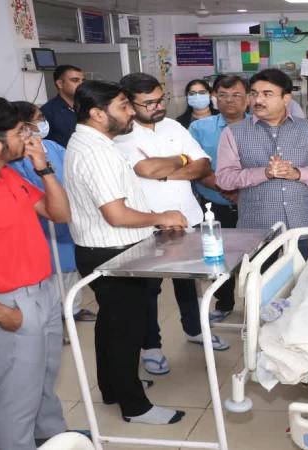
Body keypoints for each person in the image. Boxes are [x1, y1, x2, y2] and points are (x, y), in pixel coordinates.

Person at [65, 80, 187, 425]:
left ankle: (113, 387)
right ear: (97, 113)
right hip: (112, 252)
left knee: (111, 325)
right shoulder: (97, 152)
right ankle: (135, 407)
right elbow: (116, 215)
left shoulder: (90, 142)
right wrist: (160, 217)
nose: (131, 111)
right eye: (123, 106)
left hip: (101, 248)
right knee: (127, 331)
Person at [116, 73, 229, 376]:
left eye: (160, 99)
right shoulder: (121, 135)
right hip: (149, 223)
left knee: (189, 280)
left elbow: (202, 165)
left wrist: (166, 169)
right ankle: (151, 346)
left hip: (187, 216)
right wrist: (182, 160)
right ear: (130, 104)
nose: (158, 106)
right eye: (149, 103)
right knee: (148, 289)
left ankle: (195, 329)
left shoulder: (174, 126)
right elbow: (146, 168)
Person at [0, 98, 71, 450]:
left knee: (43, 377)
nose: (27, 137)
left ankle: (52, 438)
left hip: (43, 289)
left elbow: (59, 214)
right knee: (16, 397)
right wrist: (2, 313)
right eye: (18, 132)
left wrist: (43, 168)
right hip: (11, 303)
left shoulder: (9, 175)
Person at [216, 68, 308, 258]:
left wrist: (297, 173)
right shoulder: (233, 132)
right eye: (254, 94)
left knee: (304, 275)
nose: (258, 100)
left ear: (286, 98)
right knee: (259, 276)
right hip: (256, 227)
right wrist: (264, 173)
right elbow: (224, 179)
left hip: (300, 224)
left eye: (267, 94)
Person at [8, 101, 96, 322]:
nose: (43, 122)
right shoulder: (16, 163)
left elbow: (74, 170)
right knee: (53, 269)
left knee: (70, 267)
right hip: (43, 223)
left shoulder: (53, 147)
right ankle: (59, 312)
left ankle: (73, 309)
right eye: (38, 118)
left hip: (67, 212)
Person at [189, 75, 248, 323]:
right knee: (219, 256)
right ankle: (224, 303)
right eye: (222, 95)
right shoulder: (199, 128)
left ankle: (258, 303)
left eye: (236, 95)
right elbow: (196, 167)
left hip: (253, 204)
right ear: (214, 98)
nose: (229, 100)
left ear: (247, 98)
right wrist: (226, 188)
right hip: (215, 205)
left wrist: (242, 191)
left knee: (258, 256)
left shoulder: (260, 127)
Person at [40, 65, 85, 147]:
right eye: (75, 80)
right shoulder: (47, 112)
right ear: (60, 84)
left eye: (83, 80)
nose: (81, 84)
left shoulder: (88, 107)